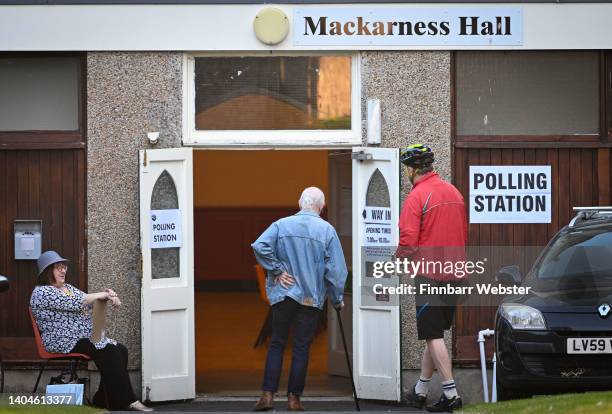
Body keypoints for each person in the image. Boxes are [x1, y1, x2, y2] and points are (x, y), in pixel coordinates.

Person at [251, 187, 348, 412]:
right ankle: (294, 399)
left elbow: (259, 246)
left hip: (284, 294)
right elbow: (336, 271)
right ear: (321, 207)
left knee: (277, 342)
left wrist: (276, 270)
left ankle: (267, 395)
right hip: (309, 296)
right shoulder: (326, 230)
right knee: (301, 347)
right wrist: (337, 299)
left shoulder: (281, 224)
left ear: (300, 203)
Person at [29, 250, 153, 412]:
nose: (63, 270)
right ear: (47, 271)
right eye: (58, 267)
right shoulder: (42, 292)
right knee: (109, 351)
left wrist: (107, 295)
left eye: (64, 266)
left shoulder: (67, 288)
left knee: (120, 350)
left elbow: (88, 300)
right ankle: (128, 400)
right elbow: (77, 302)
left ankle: (102, 400)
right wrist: (100, 295)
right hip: (62, 340)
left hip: (80, 337)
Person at [397, 145, 467, 413]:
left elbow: (408, 239)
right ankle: (421, 390)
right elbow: (463, 231)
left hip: (430, 274)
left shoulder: (417, 196)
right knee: (434, 333)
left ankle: (451, 395)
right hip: (456, 272)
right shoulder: (454, 192)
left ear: (411, 169)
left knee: (432, 333)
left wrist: (400, 260)